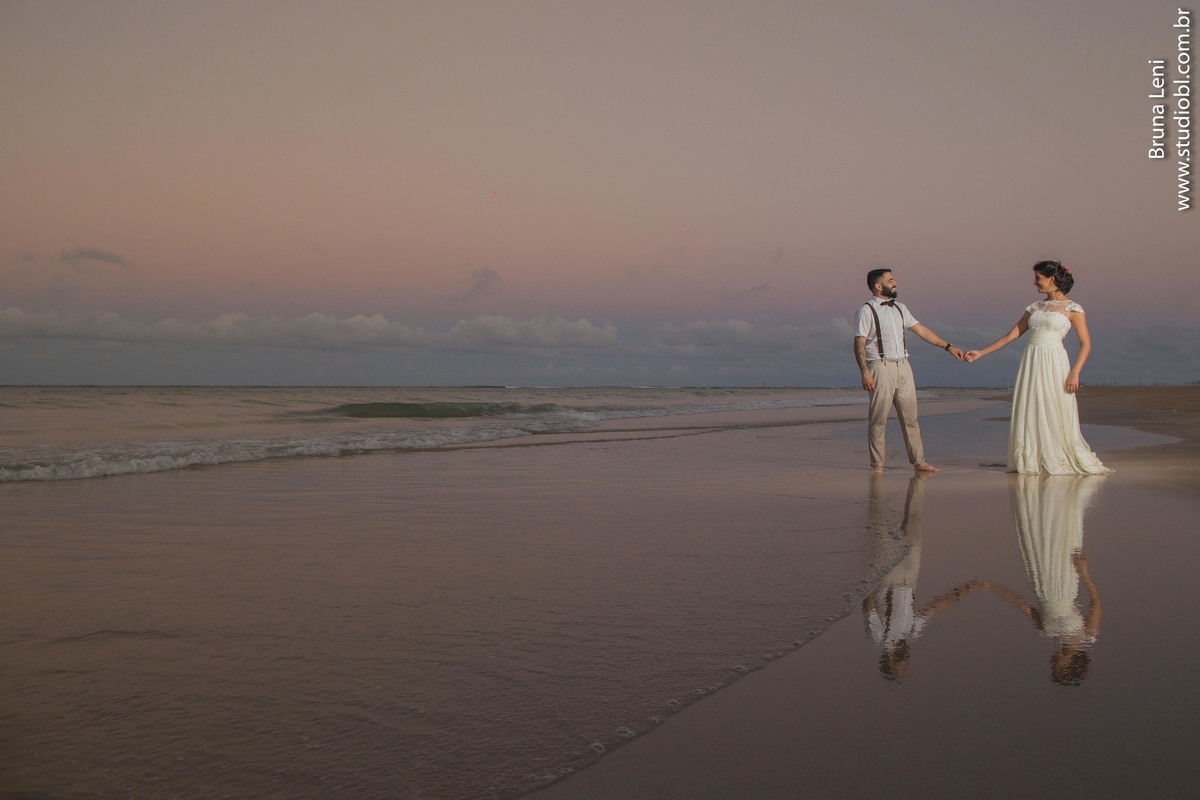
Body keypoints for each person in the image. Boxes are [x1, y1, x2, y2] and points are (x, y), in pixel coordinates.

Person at [964, 261, 1110, 474]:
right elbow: (1010, 335)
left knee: (1053, 405)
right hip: (1032, 359)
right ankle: (1032, 457)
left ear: (1052, 279)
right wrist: (981, 352)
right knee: (1030, 405)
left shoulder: (1073, 308)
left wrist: (1075, 372)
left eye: (1038, 278)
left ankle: (1056, 454)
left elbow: (1086, 343)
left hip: (1054, 361)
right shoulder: (1034, 307)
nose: (1035, 283)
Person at [854, 268, 965, 473]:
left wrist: (948, 347)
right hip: (880, 367)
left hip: (904, 367)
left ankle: (919, 461)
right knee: (878, 419)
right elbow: (859, 342)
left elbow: (921, 330)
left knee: (911, 418)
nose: (895, 283)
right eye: (891, 280)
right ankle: (877, 465)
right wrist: (864, 372)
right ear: (879, 286)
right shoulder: (866, 310)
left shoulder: (900, 308)